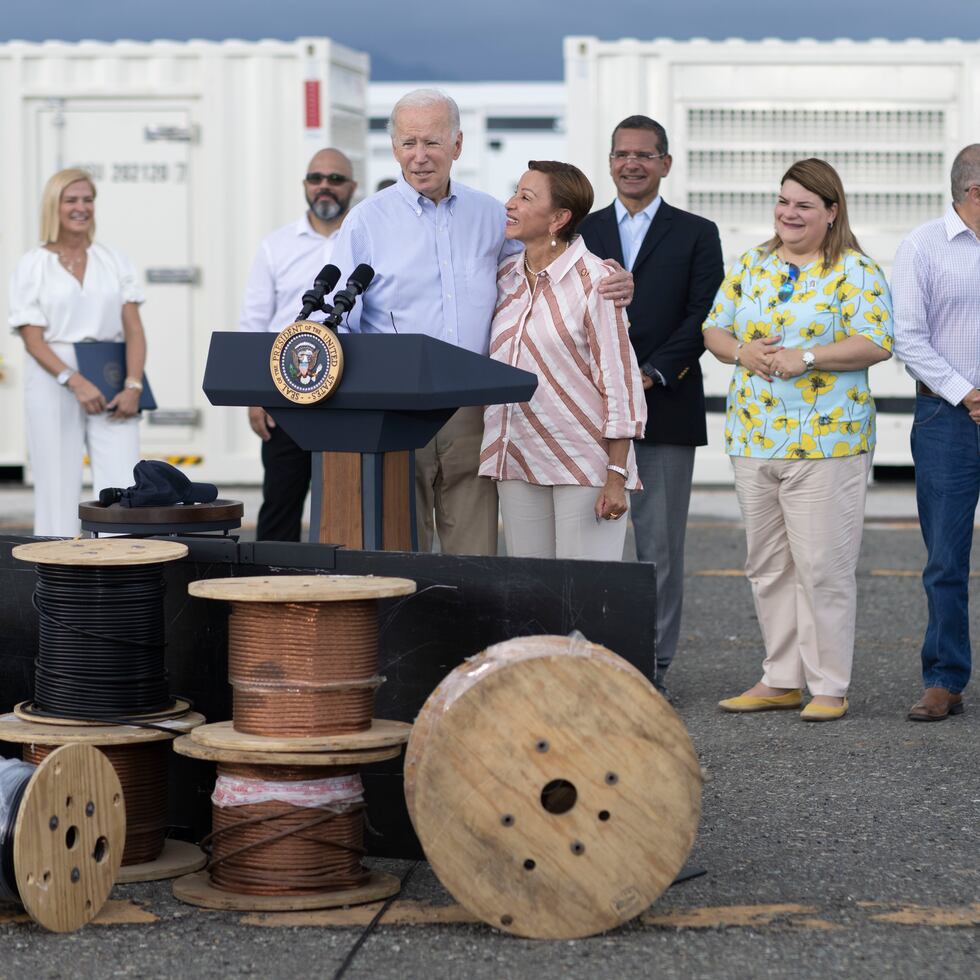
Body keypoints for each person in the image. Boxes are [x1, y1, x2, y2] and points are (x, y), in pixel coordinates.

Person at [329, 88, 633, 556]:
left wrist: (609, 276)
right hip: (395, 410)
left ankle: (467, 634)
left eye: (432, 143)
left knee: (475, 557)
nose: (420, 157)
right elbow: (338, 321)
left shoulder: (491, 214)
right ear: (394, 149)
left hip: (475, 413)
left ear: (458, 145)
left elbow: (547, 269)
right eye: (408, 144)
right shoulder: (366, 222)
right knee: (398, 549)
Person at [702, 158, 894, 721]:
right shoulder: (752, 264)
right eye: (784, 201)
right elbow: (715, 327)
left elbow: (876, 342)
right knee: (767, 565)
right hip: (753, 435)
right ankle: (780, 678)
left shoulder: (856, 271)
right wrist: (742, 351)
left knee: (823, 568)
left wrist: (805, 356)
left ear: (831, 213)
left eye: (804, 205)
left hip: (827, 443)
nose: (790, 213)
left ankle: (829, 685)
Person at [579, 115, 723, 690]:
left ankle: (654, 666)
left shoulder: (696, 232)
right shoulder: (580, 231)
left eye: (644, 154)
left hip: (665, 405)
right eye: (622, 154)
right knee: (592, 542)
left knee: (658, 549)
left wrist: (652, 373)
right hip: (589, 413)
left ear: (665, 162)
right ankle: (593, 659)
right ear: (610, 161)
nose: (631, 164)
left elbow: (705, 316)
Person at [479, 161, 646, 560]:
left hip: (583, 462)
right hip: (516, 455)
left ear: (559, 218)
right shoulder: (506, 278)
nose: (510, 203)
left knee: (586, 601)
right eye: (515, 192)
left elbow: (620, 381)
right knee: (533, 595)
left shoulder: (597, 280)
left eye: (525, 197)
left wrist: (616, 475)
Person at [892, 144, 980, 722]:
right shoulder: (923, 246)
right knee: (946, 558)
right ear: (974, 192)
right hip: (948, 419)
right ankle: (944, 679)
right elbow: (907, 336)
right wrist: (968, 394)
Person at [9, 168, 147, 537]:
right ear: (54, 205)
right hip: (54, 377)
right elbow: (32, 336)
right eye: (72, 199)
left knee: (123, 481)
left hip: (110, 374)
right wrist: (73, 380)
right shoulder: (33, 265)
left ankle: (125, 567)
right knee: (56, 482)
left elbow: (134, 328)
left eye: (88, 199)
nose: (81, 207)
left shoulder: (113, 259)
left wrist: (134, 386)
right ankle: (54, 574)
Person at [239, 148, 357, 541]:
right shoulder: (276, 246)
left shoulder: (365, 241)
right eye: (316, 178)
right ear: (306, 186)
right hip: (285, 391)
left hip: (350, 391)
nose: (325, 186)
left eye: (335, 179)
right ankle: (270, 592)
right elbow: (254, 323)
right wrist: (255, 396)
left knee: (347, 504)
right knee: (280, 501)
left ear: (352, 187)